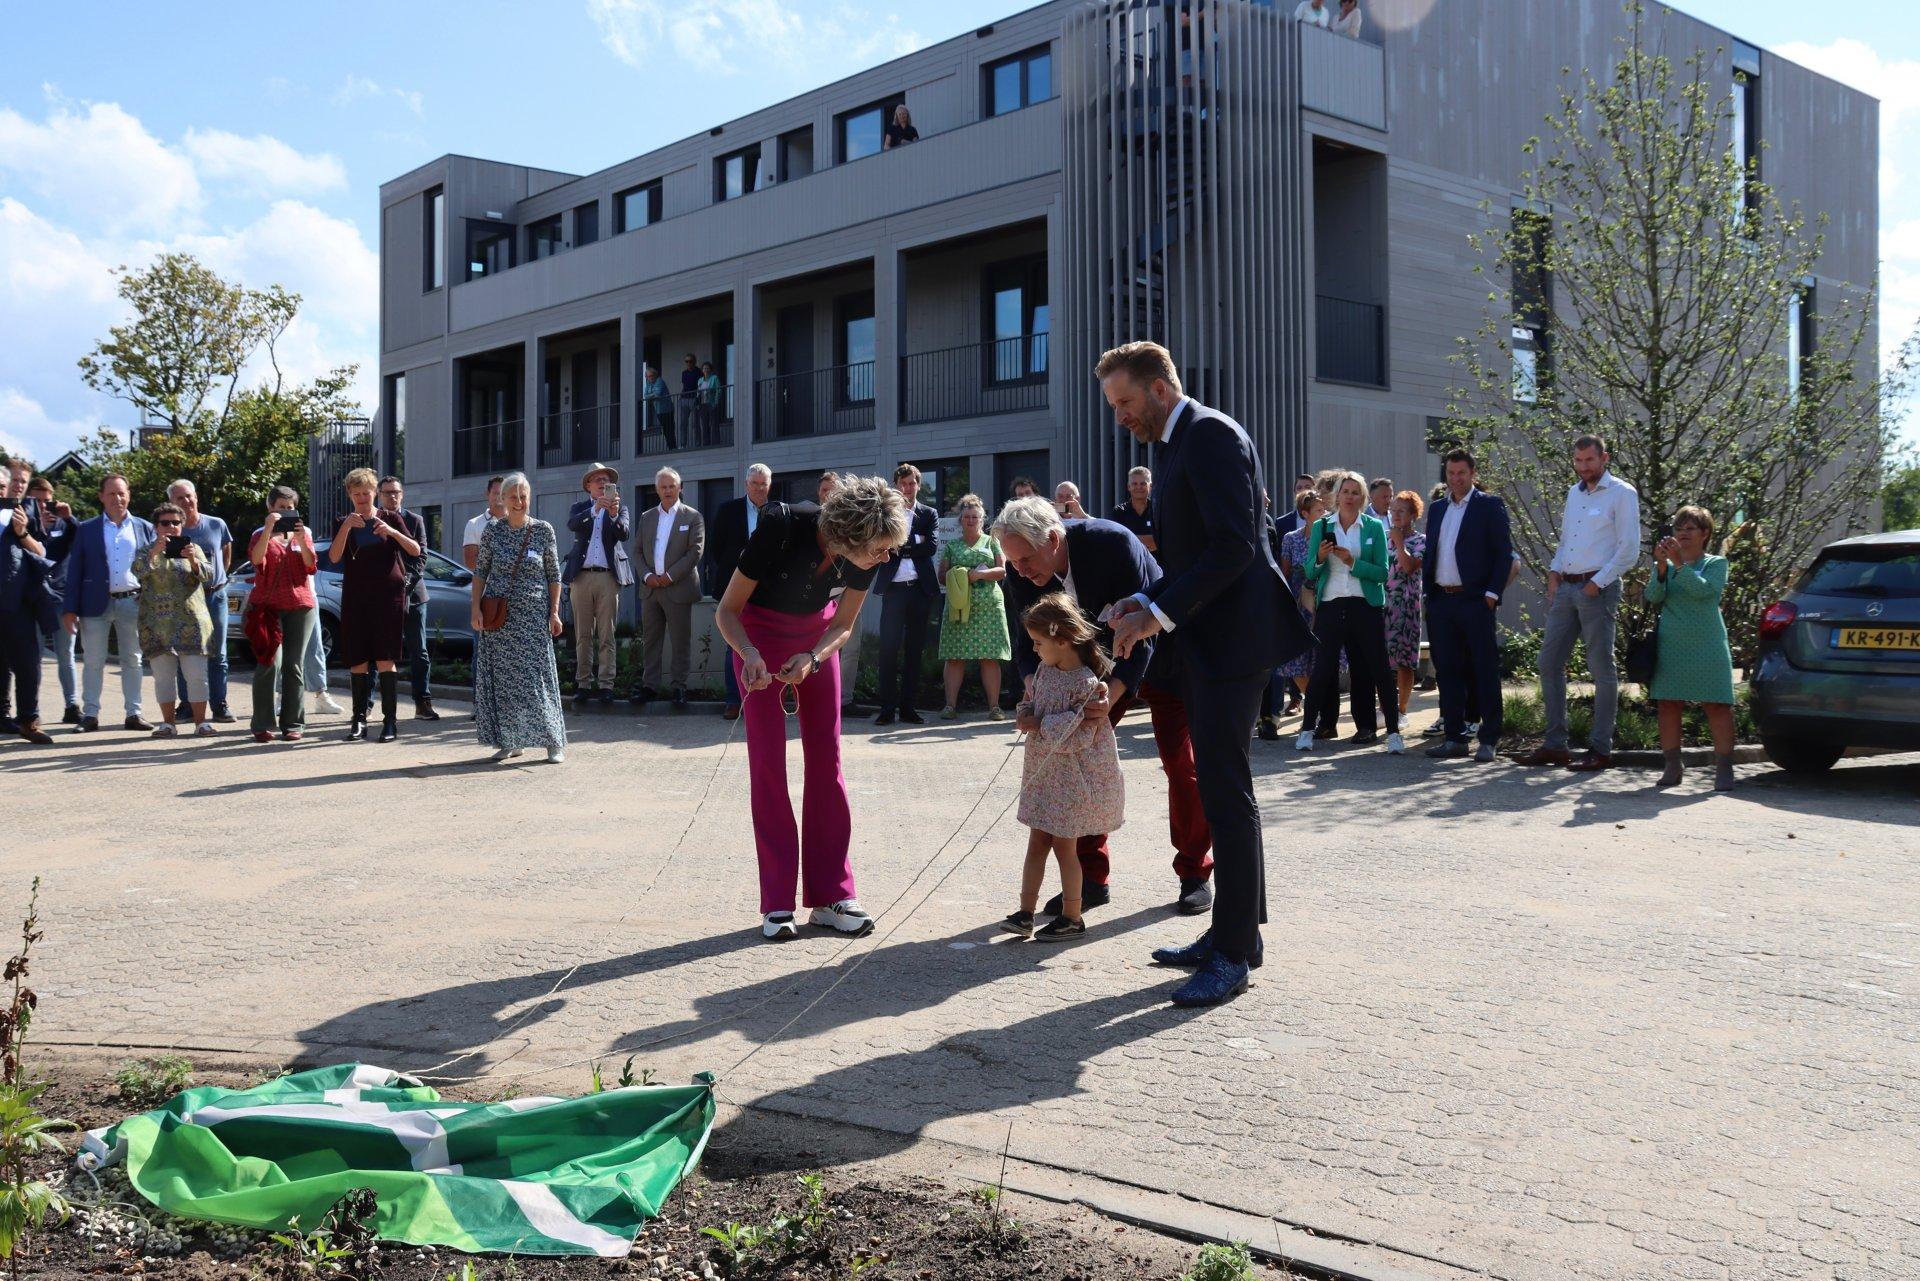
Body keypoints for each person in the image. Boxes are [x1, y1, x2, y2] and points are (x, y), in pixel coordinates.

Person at [1100, 341, 1314, 1006]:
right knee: (1222, 788)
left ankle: (1231, 953)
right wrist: (1146, 598)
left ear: (1160, 387)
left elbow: (1235, 546)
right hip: (1206, 640)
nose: (1120, 418)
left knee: (1226, 791)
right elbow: (1193, 552)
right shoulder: (1174, 442)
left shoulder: (1211, 434)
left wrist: (1158, 612)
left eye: (1126, 402)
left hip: (1233, 643)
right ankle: (1235, 935)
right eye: (1114, 406)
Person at [714, 475, 908, 940]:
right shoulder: (781, 525)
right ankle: (777, 901)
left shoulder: (869, 553)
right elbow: (726, 612)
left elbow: (842, 624)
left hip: (817, 643)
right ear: (852, 535)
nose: (887, 557)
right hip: (758, 635)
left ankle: (832, 896)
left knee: (828, 763)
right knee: (768, 765)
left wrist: (815, 658)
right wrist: (751, 655)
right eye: (880, 549)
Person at [996, 496, 1209, 915]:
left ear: (1053, 539)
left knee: (1180, 764)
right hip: (1088, 673)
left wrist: (1109, 696)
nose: (1018, 570)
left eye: (1024, 560)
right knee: (1074, 762)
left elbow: (1143, 633)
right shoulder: (1020, 568)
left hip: (1166, 657)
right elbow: (1026, 642)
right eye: (1013, 562)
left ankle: (1194, 872)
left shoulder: (1110, 543)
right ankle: (1091, 879)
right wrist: (1032, 689)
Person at [1005, 592, 1126, 942]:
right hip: (1043, 777)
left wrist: (1038, 725)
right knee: (1036, 843)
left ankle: (1072, 916)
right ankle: (1025, 913)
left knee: (1064, 848)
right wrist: (1024, 713)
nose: (1035, 650)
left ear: (1062, 640)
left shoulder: (1088, 685)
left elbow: (1080, 734)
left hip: (1071, 782)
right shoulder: (1045, 669)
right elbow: (1032, 704)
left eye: (1039, 642)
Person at [1518, 434, 1641, 773]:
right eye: (1579, 461)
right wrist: (1554, 572)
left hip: (1596, 590)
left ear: (1605, 458)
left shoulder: (1622, 493)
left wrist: (1596, 584)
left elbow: (1629, 549)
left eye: (1590, 460)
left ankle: (1600, 749)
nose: (1584, 467)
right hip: (1567, 588)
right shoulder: (1575, 493)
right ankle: (1556, 745)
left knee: (1601, 669)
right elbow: (1567, 541)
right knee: (1548, 662)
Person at [1298, 472, 1402, 753]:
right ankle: (1308, 728)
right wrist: (1320, 558)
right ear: (1337, 495)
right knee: (1322, 668)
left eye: (1356, 492)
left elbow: (1382, 572)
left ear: (1363, 498)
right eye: (1346, 491)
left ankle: (1390, 731)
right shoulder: (1323, 525)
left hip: (1364, 605)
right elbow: (1309, 570)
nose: (1350, 496)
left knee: (1374, 668)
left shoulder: (1373, 527)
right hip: (1331, 604)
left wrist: (1351, 562)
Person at [469, 472, 567, 763]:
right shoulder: (493, 531)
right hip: (499, 619)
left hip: (534, 617)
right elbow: (481, 572)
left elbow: (553, 574)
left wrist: (554, 611)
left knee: (538, 680)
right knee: (504, 681)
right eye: (514, 496)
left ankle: (553, 742)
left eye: (524, 495)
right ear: (503, 499)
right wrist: (475, 608)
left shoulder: (542, 530)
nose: (520, 501)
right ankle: (511, 740)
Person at [1422, 448, 1513, 761]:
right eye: (1450, 473)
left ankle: (1489, 739)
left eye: (1461, 473)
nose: (1455, 479)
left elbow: (1504, 554)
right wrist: (1427, 594)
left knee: (1484, 669)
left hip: (1475, 601)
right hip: (1441, 602)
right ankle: (1454, 737)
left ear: (1473, 474)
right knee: (1447, 671)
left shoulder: (1489, 506)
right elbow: (1432, 551)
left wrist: (1491, 594)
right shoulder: (1436, 509)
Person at [1645, 506, 1737, 791]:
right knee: (1668, 703)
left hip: (1708, 644)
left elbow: (1703, 592)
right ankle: (1673, 764)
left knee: (1718, 704)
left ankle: (1724, 767)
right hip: (1673, 643)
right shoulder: (1666, 564)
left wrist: (1678, 565)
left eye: (1689, 529)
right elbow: (1653, 596)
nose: (1682, 534)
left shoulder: (1716, 563)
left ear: (1705, 533)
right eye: (1678, 529)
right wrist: (1662, 568)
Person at [328, 466, 421, 743]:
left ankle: (390, 722)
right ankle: (358, 721)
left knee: (384, 658)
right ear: (349, 494)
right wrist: (345, 526)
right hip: (356, 597)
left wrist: (392, 532)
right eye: (356, 494)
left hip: (387, 596)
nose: (362, 499)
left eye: (366, 494)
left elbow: (415, 549)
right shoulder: (342, 521)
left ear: (374, 493)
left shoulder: (390, 517)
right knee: (357, 659)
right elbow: (333, 558)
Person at [61, 474, 154, 732]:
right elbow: (75, 570)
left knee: (133, 660)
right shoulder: (87, 529)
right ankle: (90, 715)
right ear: (101, 496)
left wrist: (148, 595)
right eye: (111, 493)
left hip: (132, 603)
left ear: (129, 495)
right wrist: (70, 609)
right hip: (94, 605)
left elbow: (153, 567)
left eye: (122, 493)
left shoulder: (144, 527)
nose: (118, 498)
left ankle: (133, 713)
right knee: (93, 660)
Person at [135, 502, 217, 737]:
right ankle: (168, 723)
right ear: (156, 526)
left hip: (191, 622)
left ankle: (201, 723)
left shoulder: (194, 548)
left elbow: (209, 575)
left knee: (196, 676)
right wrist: (154, 553)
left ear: (182, 525)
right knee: (163, 677)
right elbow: (137, 571)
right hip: (156, 625)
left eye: (176, 523)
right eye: (165, 523)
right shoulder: (146, 550)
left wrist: (193, 560)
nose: (170, 527)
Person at [246, 487, 318, 742]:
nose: (286, 512)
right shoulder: (259, 534)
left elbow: (311, 566)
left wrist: (299, 540)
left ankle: (293, 723)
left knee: (293, 665)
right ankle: (263, 724)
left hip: (300, 606)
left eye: (290, 507)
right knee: (269, 663)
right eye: (280, 507)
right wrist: (268, 530)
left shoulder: (303, 533)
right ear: (270, 508)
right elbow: (257, 561)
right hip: (268, 608)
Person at [871, 463, 939, 726]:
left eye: (911, 483)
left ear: (918, 485)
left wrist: (902, 546)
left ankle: (909, 708)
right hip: (894, 590)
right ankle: (887, 709)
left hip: (920, 591)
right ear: (896, 485)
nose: (907, 488)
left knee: (914, 651)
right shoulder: (887, 513)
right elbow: (883, 545)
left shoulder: (928, 513)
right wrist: (914, 543)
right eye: (902, 483)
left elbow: (931, 547)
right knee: (888, 649)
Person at [706, 463, 774, 720]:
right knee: (734, 645)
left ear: (770, 485)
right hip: (734, 588)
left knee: (765, 643)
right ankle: (734, 701)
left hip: (767, 590)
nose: (759, 488)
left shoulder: (777, 511)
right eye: (754, 483)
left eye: (763, 484)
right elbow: (716, 548)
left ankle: (761, 700)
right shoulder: (728, 510)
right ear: (746, 484)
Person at [634, 467, 705, 708]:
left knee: (680, 641)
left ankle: (678, 688)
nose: (667, 490)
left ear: (680, 488)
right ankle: (650, 686)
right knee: (651, 640)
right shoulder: (647, 517)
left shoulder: (692, 516)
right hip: (651, 589)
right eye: (663, 486)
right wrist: (646, 575)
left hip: (678, 588)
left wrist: (668, 576)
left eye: (672, 486)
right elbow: (636, 552)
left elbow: (695, 552)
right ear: (656, 490)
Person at [934, 494, 1010, 720]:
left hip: (988, 606)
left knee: (989, 657)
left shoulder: (992, 541)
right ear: (960, 520)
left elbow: (1002, 570)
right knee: (955, 656)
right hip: (959, 606)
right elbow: (941, 576)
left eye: (975, 516)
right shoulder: (952, 547)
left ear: (982, 519)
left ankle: (994, 707)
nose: (970, 520)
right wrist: (959, 575)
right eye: (966, 516)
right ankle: (950, 706)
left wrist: (979, 574)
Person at [562, 463, 632, 707]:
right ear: (588, 485)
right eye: (598, 479)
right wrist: (594, 510)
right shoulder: (580, 507)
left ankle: (606, 685)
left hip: (607, 577)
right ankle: (582, 684)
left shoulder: (620, 508)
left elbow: (624, 534)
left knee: (606, 634)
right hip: (581, 577)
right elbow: (572, 524)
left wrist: (611, 514)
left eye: (606, 479)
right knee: (582, 634)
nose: (603, 483)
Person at [167, 479, 235, 722]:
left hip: (215, 596)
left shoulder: (216, 524)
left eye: (189, 496)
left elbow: (226, 551)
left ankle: (220, 705)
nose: (186, 501)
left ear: (196, 496)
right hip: (186, 599)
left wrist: (220, 577)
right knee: (185, 653)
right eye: (179, 498)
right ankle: (186, 706)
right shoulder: (173, 530)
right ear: (172, 502)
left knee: (219, 654)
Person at [377, 475, 440, 721]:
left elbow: (421, 556)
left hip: (413, 595)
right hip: (381, 597)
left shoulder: (415, 521)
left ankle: (422, 703)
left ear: (402, 494)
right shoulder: (373, 520)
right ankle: (369, 704)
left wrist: (405, 583)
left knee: (419, 651)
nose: (392, 496)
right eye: (387, 492)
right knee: (379, 651)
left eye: (396, 492)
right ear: (379, 495)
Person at [1268, 488, 1330, 733]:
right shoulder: (1291, 538)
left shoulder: (1329, 536)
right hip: (1297, 601)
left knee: (1320, 660)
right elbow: (1284, 572)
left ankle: (1322, 711)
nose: (1323, 513)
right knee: (1295, 663)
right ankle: (1314, 703)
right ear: (1305, 513)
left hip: (1323, 602)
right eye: (1317, 510)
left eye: (1324, 509)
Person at [0, 474, 53, 743]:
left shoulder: (23, 512)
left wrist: (22, 533)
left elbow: (42, 553)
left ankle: (28, 720)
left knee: (27, 664)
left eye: (0, 486)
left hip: (17, 602)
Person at [26, 478, 78, 724]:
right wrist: (38, 529)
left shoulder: (64, 524)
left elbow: (80, 543)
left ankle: (71, 705)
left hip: (61, 597)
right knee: (32, 656)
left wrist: (69, 519)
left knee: (65, 654)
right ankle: (31, 709)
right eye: (37, 501)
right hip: (33, 598)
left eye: (47, 501)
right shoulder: (23, 526)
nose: (43, 506)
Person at [1384, 490, 1426, 719]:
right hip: (1382, 605)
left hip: (1406, 607)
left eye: (1401, 511)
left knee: (1404, 660)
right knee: (1380, 659)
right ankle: (1384, 708)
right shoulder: (1383, 536)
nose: (1396, 515)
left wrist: (1399, 543)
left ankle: (1401, 710)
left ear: (1413, 514)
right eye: (1393, 510)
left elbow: (1409, 566)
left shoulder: (1420, 540)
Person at [1109, 465, 1158, 555]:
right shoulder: (1119, 511)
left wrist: (1129, 539)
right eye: (1134, 484)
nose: (1139, 487)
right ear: (1129, 487)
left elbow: (1163, 541)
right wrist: (1151, 540)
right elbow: (1117, 541)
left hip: (1157, 565)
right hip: (1129, 565)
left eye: (1143, 484)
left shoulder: (1158, 511)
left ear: (1150, 486)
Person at [464, 475, 506, 571]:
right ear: (488, 494)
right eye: (496, 493)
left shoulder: (517, 523)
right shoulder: (473, 524)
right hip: (487, 584)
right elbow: (470, 562)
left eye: (503, 493)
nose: (500, 497)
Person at [1272, 473, 1315, 542]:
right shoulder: (1282, 522)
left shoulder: (1325, 519)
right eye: (1299, 488)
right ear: (1295, 492)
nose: (1303, 490)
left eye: (1307, 487)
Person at [643, 365, 677, 450]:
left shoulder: (659, 381)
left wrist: (651, 395)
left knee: (669, 428)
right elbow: (645, 396)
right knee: (665, 429)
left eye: (651, 376)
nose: (650, 378)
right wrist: (652, 395)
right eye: (648, 376)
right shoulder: (648, 383)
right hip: (658, 410)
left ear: (655, 375)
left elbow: (657, 394)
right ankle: (670, 447)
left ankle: (673, 447)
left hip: (667, 409)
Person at [695, 361, 723, 441]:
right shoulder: (700, 380)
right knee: (704, 424)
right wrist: (697, 402)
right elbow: (698, 392)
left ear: (710, 369)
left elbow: (719, 390)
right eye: (704, 368)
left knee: (714, 423)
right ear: (702, 370)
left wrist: (716, 401)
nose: (705, 369)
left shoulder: (714, 378)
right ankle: (706, 443)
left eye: (707, 368)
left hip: (712, 403)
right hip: (703, 404)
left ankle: (715, 442)